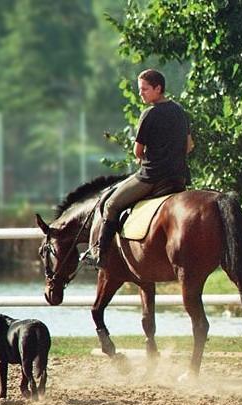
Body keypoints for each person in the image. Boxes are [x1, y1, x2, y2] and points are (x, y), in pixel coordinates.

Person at [93, 68, 194, 268]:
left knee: (112, 204)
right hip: (179, 177)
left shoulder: (149, 114)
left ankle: (99, 254)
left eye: (144, 89)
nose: (141, 94)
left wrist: (149, 158)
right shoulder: (180, 111)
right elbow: (189, 146)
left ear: (158, 88)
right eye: (140, 90)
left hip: (152, 176)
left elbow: (138, 151)